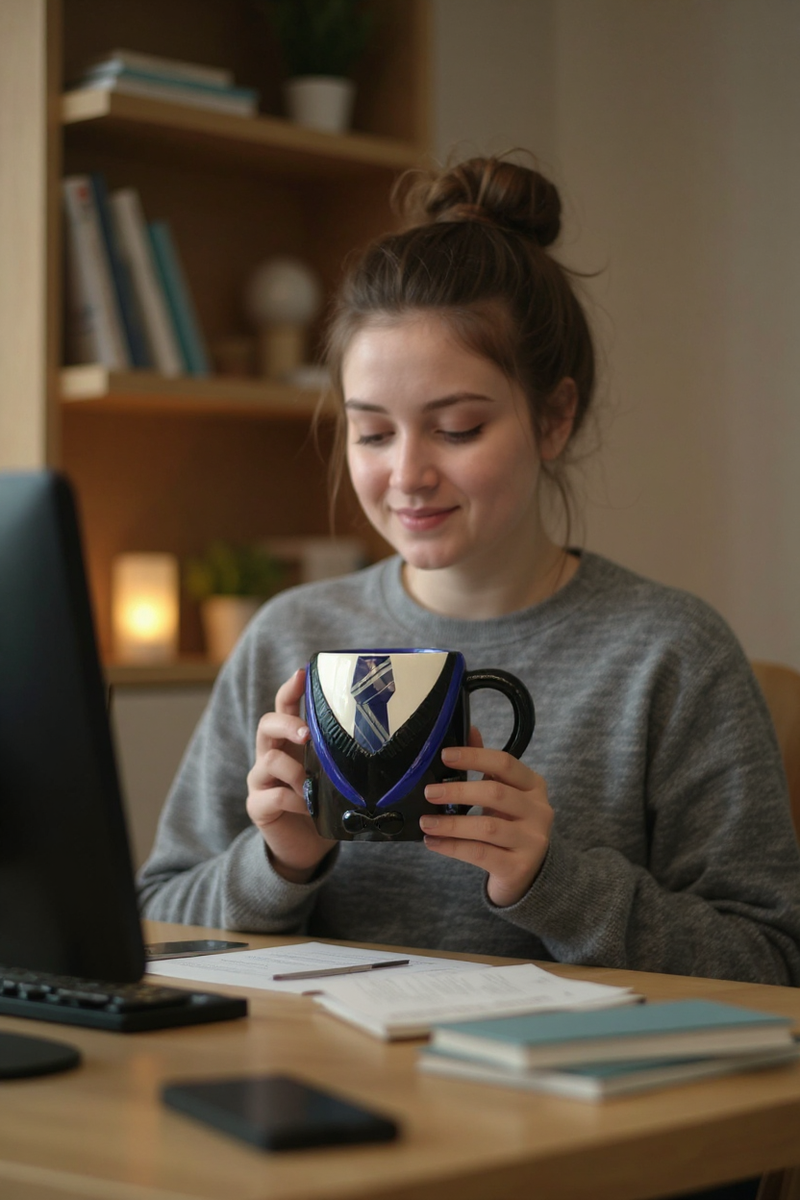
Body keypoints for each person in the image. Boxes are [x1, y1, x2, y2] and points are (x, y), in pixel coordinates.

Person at [138, 154, 800, 990]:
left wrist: (551, 883)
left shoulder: (668, 654)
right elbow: (153, 923)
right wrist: (280, 861)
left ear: (554, 418)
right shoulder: (293, 638)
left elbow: (775, 964)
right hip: (327, 1093)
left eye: (455, 428)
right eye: (373, 434)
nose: (407, 475)